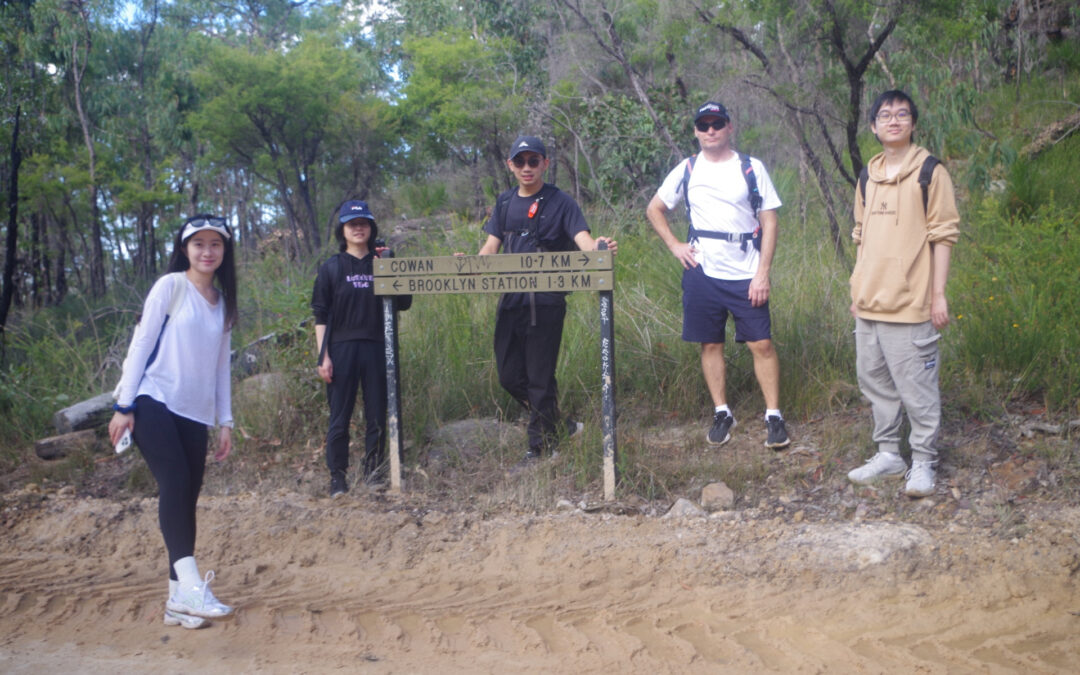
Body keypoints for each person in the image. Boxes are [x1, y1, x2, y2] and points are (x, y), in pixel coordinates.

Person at [109, 214, 238, 630]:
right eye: (198, 243)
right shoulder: (171, 286)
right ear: (185, 249)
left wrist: (226, 421)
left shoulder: (224, 304)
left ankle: (175, 602)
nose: (207, 251)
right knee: (175, 485)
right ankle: (193, 588)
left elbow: (221, 368)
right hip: (153, 399)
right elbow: (141, 342)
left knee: (186, 498)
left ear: (224, 251)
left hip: (195, 413)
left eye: (215, 244)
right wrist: (124, 405)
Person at [646, 101, 790, 449]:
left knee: (762, 343)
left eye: (717, 124)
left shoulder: (750, 167)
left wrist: (763, 273)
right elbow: (655, 208)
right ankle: (722, 412)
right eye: (703, 125)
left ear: (729, 128)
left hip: (745, 270)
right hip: (702, 270)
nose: (710, 131)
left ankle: (774, 415)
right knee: (710, 343)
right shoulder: (688, 168)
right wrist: (675, 245)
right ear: (696, 131)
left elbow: (769, 220)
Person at [845, 90, 960, 498]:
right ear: (874, 126)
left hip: (911, 305)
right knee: (875, 383)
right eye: (885, 115)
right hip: (869, 303)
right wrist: (857, 286)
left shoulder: (930, 172)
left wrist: (938, 294)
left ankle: (924, 460)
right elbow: (860, 236)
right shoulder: (867, 175)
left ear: (912, 123)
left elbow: (943, 235)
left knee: (917, 388)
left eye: (903, 114)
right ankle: (890, 455)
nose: (894, 120)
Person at [476, 135, 617, 461]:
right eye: (520, 161)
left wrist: (600, 247)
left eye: (533, 161)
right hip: (511, 299)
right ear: (510, 165)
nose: (527, 168)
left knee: (540, 377)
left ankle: (539, 449)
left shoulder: (561, 202)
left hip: (547, 301)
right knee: (509, 375)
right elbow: (489, 249)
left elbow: (584, 241)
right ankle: (560, 425)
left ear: (545, 164)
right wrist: (469, 265)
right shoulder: (504, 203)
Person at [312, 200, 411, 497]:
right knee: (339, 416)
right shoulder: (331, 268)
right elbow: (320, 314)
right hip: (341, 349)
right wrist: (323, 356)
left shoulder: (382, 263)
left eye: (363, 224)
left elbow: (403, 303)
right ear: (343, 230)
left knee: (376, 415)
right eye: (352, 224)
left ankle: (374, 473)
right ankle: (337, 478)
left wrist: (390, 265)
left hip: (378, 348)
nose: (358, 228)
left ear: (371, 228)